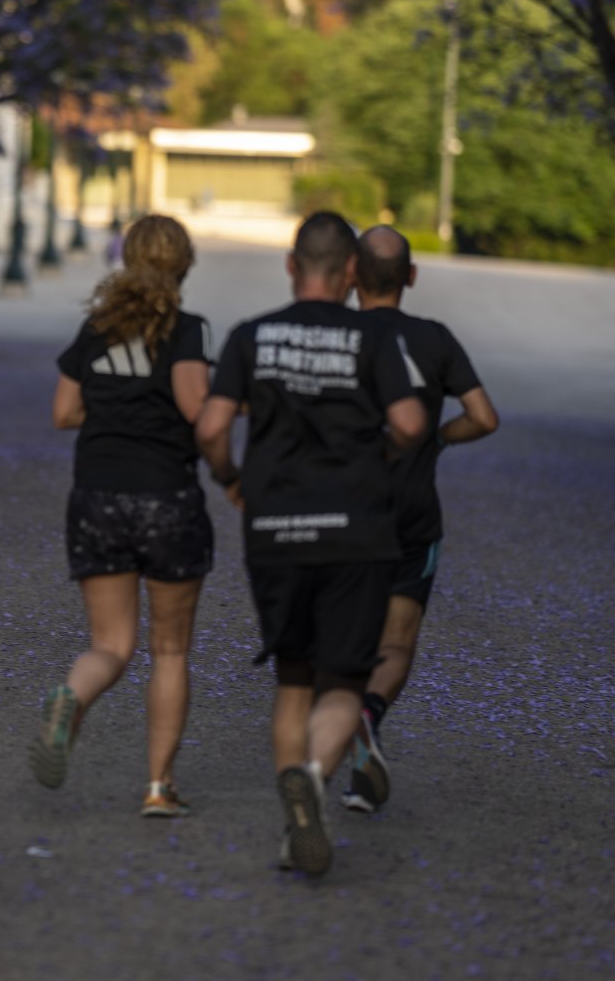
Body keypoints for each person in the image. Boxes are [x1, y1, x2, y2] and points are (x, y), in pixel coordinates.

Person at [194, 211, 425, 878]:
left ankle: (294, 818)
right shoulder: (370, 338)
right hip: (356, 529)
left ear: (292, 266)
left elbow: (211, 427)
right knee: (345, 681)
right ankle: (316, 779)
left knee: (293, 679)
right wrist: (379, 452)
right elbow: (411, 421)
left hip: (276, 530)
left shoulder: (250, 336)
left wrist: (231, 479)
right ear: (351, 272)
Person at [31, 214, 213, 818]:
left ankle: (70, 694)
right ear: (183, 266)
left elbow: (60, 411)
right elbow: (193, 406)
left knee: (110, 644)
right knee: (169, 650)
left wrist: (115, 413)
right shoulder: (185, 332)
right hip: (165, 497)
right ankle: (159, 788)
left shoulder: (96, 329)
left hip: (97, 496)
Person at [341, 226, 498, 814]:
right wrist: (436, 439)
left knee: (342, 639)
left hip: (341, 512)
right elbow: (483, 416)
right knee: (397, 642)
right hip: (411, 514)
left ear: (352, 273)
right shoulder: (434, 340)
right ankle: (369, 721)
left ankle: (327, 747)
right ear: (411, 277)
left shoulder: (335, 335)